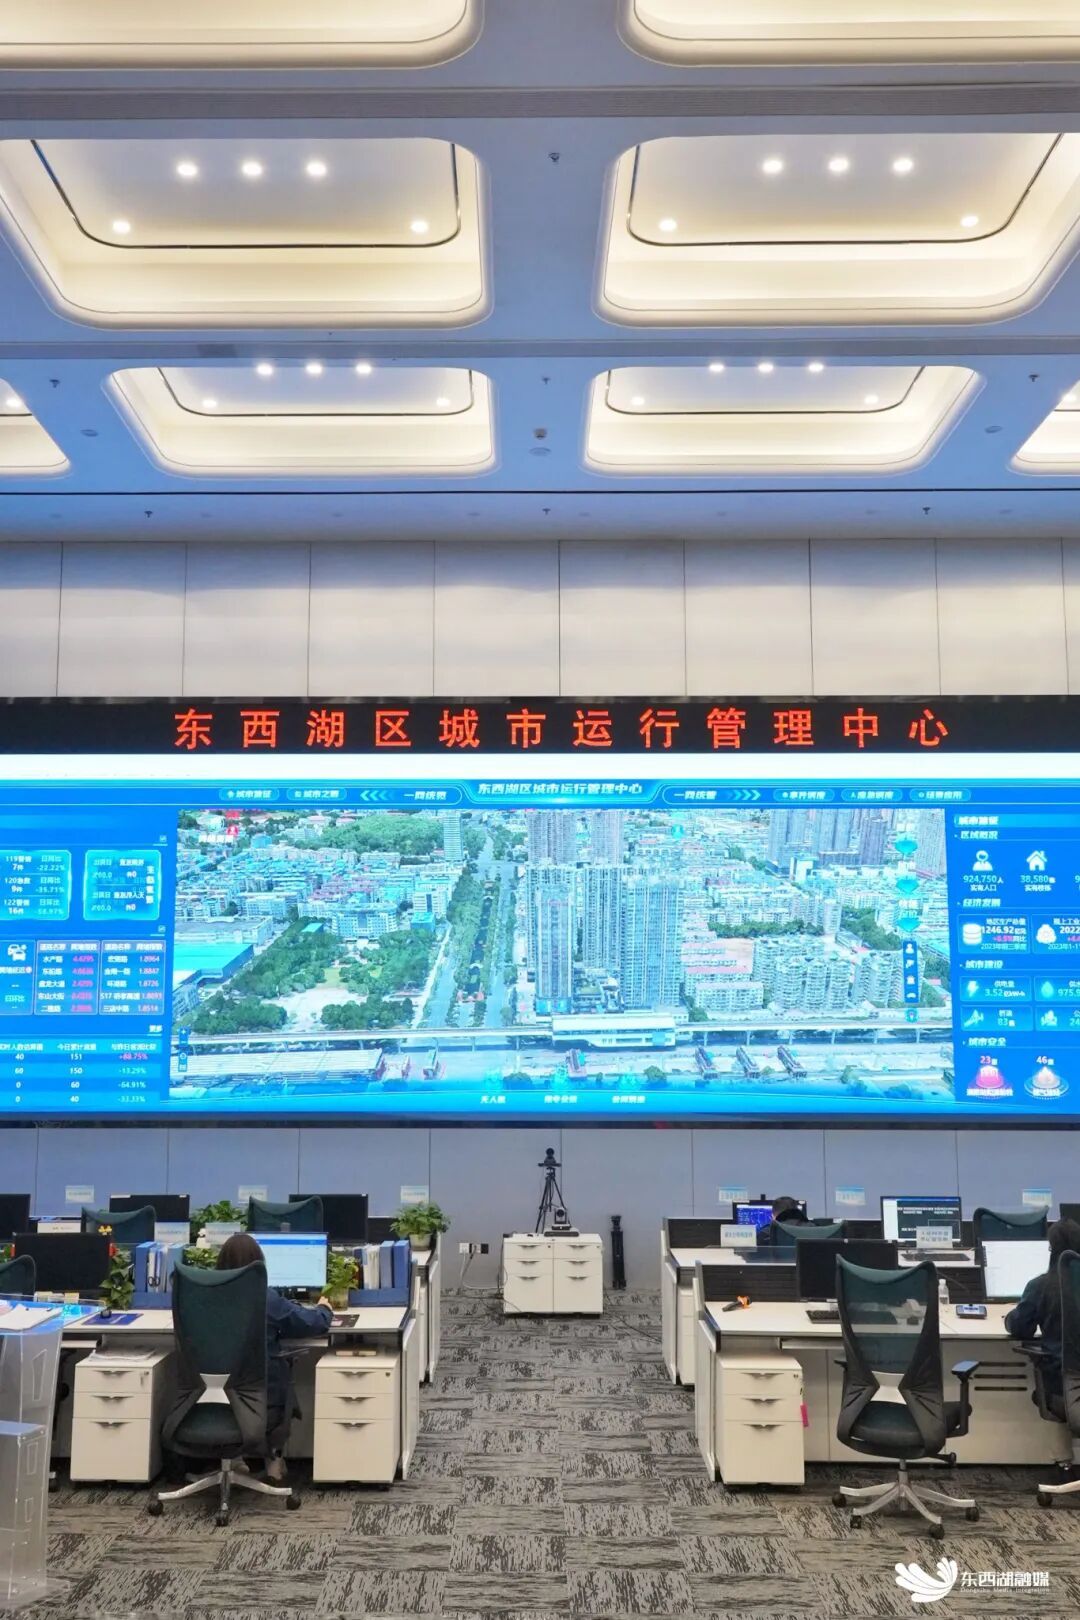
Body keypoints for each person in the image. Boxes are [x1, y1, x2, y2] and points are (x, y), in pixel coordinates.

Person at [216, 1231, 332, 1480]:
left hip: (212, 1402)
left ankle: (234, 1459)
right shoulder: (264, 1298)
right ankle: (273, 1459)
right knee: (280, 1370)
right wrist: (324, 1308)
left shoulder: (203, 1298)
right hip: (262, 1403)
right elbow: (313, 1323)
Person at [1004, 1216, 1080, 1411]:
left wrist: (1009, 1318)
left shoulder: (1041, 1286)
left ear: (1051, 1249)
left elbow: (1020, 1328)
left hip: (1061, 1387)